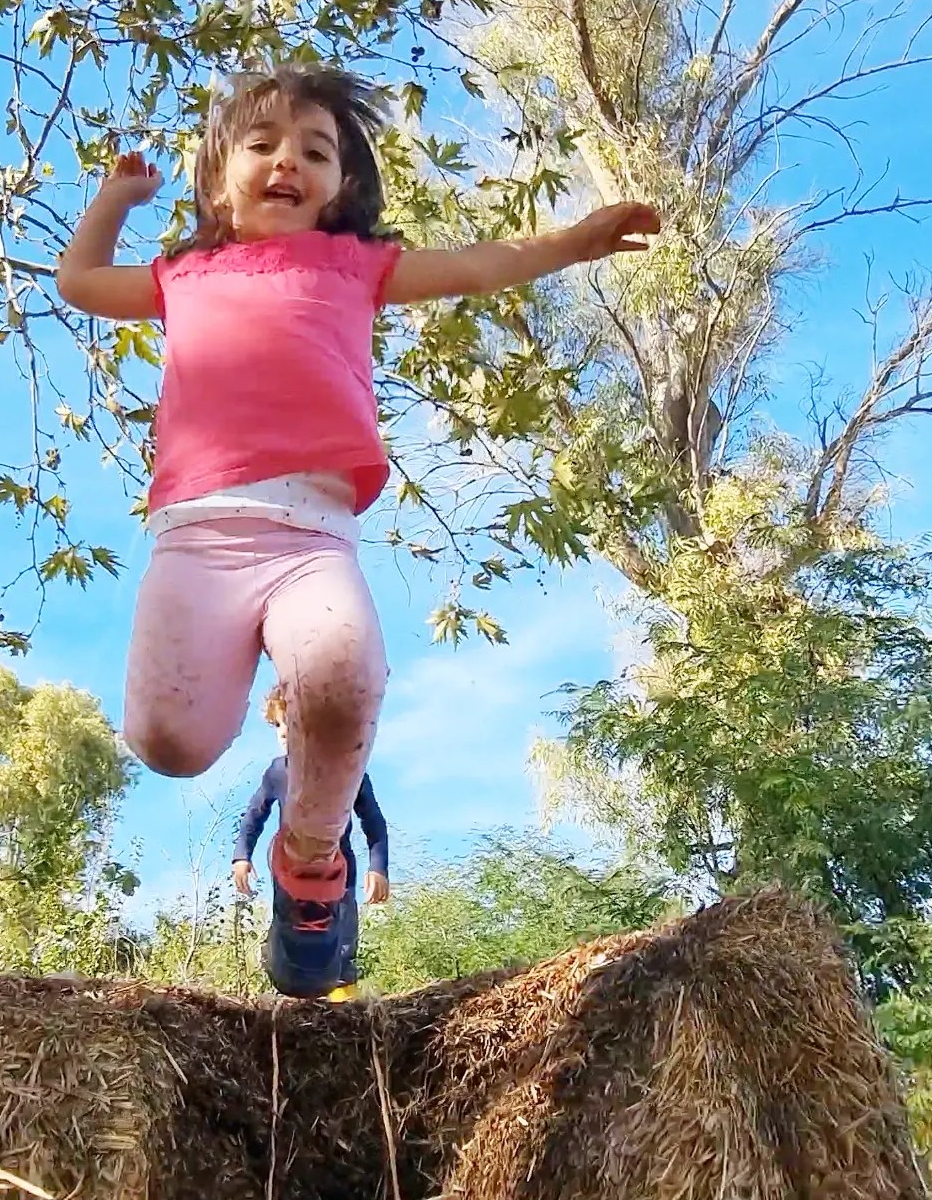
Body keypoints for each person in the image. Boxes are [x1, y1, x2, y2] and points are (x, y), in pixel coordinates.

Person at [56, 64, 659, 998]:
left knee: (343, 676)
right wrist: (116, 200)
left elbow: (478, 265)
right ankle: (248, 791)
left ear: (341, 186)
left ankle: (310, 865)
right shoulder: (183, 275)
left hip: (312, 537)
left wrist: (575, 242)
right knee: (169, 744)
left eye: (315, 151)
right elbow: (81, 281)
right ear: (217, 181)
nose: (287, 162)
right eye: (262, 145)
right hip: (197, 540)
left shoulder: (354, 267)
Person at [233, 683, 388, 1000]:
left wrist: (378, 867)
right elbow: (254, 815)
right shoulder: (278, 772)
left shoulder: (349, 770)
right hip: (291, 873)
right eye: (278, 725)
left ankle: (342, 999)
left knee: (342, 930)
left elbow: (373, 821)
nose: (282, 732)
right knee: (293, 925)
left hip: (338, 870)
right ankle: (288, 983)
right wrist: (242, 855)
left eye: (290, 722)